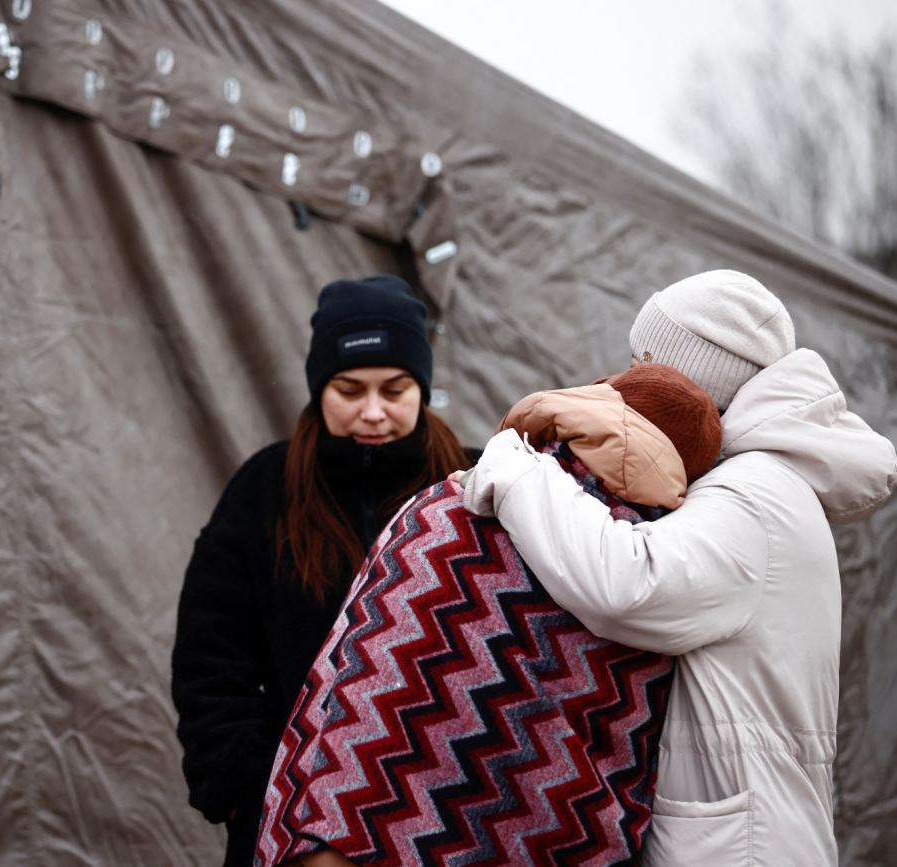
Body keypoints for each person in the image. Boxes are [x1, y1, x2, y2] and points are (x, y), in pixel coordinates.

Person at [459, 269, 897, 866]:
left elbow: (628, 586)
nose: (625, 384)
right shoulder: (755, 483)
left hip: (739, 850)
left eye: (642, 364)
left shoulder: (754, 494)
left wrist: (516, 469)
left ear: (690, 381)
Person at [255, 363, 723, 867]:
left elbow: (344, 676)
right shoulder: (673, 579)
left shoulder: (449, 502)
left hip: (349, 833)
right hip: (554, 834)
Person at [171, 275, 473, 867]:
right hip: (296, 824)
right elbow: (210, 661)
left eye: (395, 388)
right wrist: (251, 799)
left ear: (423, 387)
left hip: (449, 818)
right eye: (348, 388)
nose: (373, 411)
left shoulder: (472, 485)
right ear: (318, 389)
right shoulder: (265, 490)